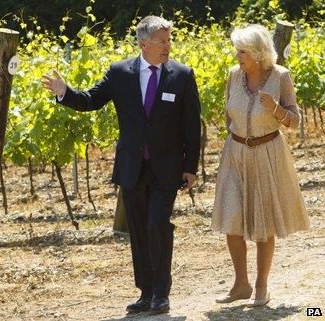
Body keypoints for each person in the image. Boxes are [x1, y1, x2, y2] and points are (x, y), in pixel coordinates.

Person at [43, 16, 201, 315]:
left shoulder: (182, 75)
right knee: (139, 231)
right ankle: (145, 292)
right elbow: (90, 99)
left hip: (167, 168)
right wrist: (64, 92)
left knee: (157, 226)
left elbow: (192, 126)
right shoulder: (120, 73)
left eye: (169, 40)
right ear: (144, 44)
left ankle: (161, 293)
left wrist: (190, 166)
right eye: (162, 41)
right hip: (132, 166)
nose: (168, 46)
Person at [212, 24, 310, 306]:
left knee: (264, 222)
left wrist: (275, 110)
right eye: (237, 50)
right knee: (232, 219)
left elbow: (294, 120)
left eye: (242, 51)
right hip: (235, 153)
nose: (237, 55)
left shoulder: (280, 77)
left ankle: (261, 285)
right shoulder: (233, 76)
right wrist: (234, 143)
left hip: (267, 153)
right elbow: (229, 115)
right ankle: (240, 285)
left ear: (258, 53)